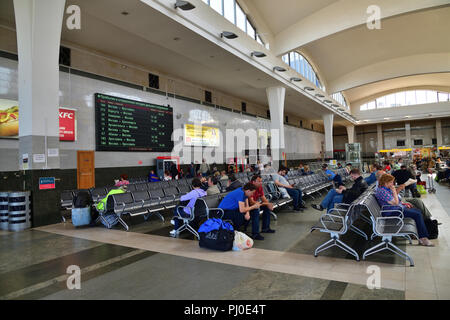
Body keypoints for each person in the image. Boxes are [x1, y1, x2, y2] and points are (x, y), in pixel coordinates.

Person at [375, 174, 434, 246]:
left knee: (418, 211)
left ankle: (421, 234)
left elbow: (396, 201)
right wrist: (394, 191)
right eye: (391, 182)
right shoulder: (382, 191)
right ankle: (423, 238)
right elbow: (396, 202)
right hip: (392, 212)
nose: (392, 184)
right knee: (417, 214)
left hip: (397, 209)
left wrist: (403, 204)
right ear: (385, 182)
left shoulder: (385, 189)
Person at [244, 175, 275, 240]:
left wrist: (268, 204)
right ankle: (255, 234)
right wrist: (263, 204)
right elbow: (251, 202)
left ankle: (265, 228)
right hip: (248, 206)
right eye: (259, 181)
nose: (261, 183)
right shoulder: (250, 187)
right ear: (253, 182)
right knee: (256, 210)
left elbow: (263, 198)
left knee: (266, 207)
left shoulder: (259, 187)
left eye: (261, 181)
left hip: (256, 204)